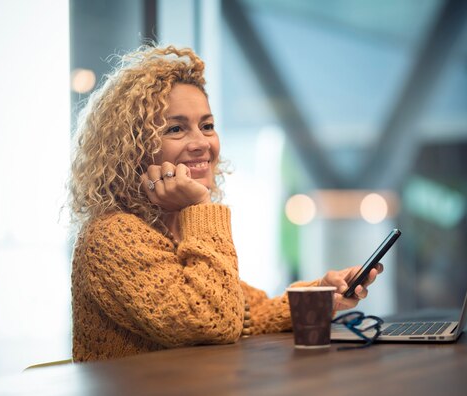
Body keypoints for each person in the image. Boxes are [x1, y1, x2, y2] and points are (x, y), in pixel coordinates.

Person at [68, 45, 382, 362]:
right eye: (176, 128)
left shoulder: (175, 229)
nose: (202, 143)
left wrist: (323, 294)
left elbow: (246, 313)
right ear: (133, 147)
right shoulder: (111, 238)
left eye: (207, 126)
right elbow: (211, 320)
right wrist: (201, 207)